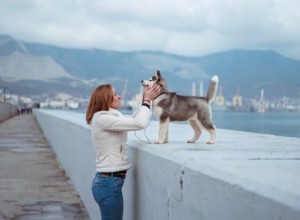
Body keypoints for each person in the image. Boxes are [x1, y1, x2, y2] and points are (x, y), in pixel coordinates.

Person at [86, 83, 161, 220]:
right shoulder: (103, 119)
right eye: (115, 94)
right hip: (108, 184)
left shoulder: (106, 118)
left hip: (108, 183)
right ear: (105, 98)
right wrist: (146, 101)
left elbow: (132, 119)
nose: (119, 96)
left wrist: (146, 99)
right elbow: (138, 123)